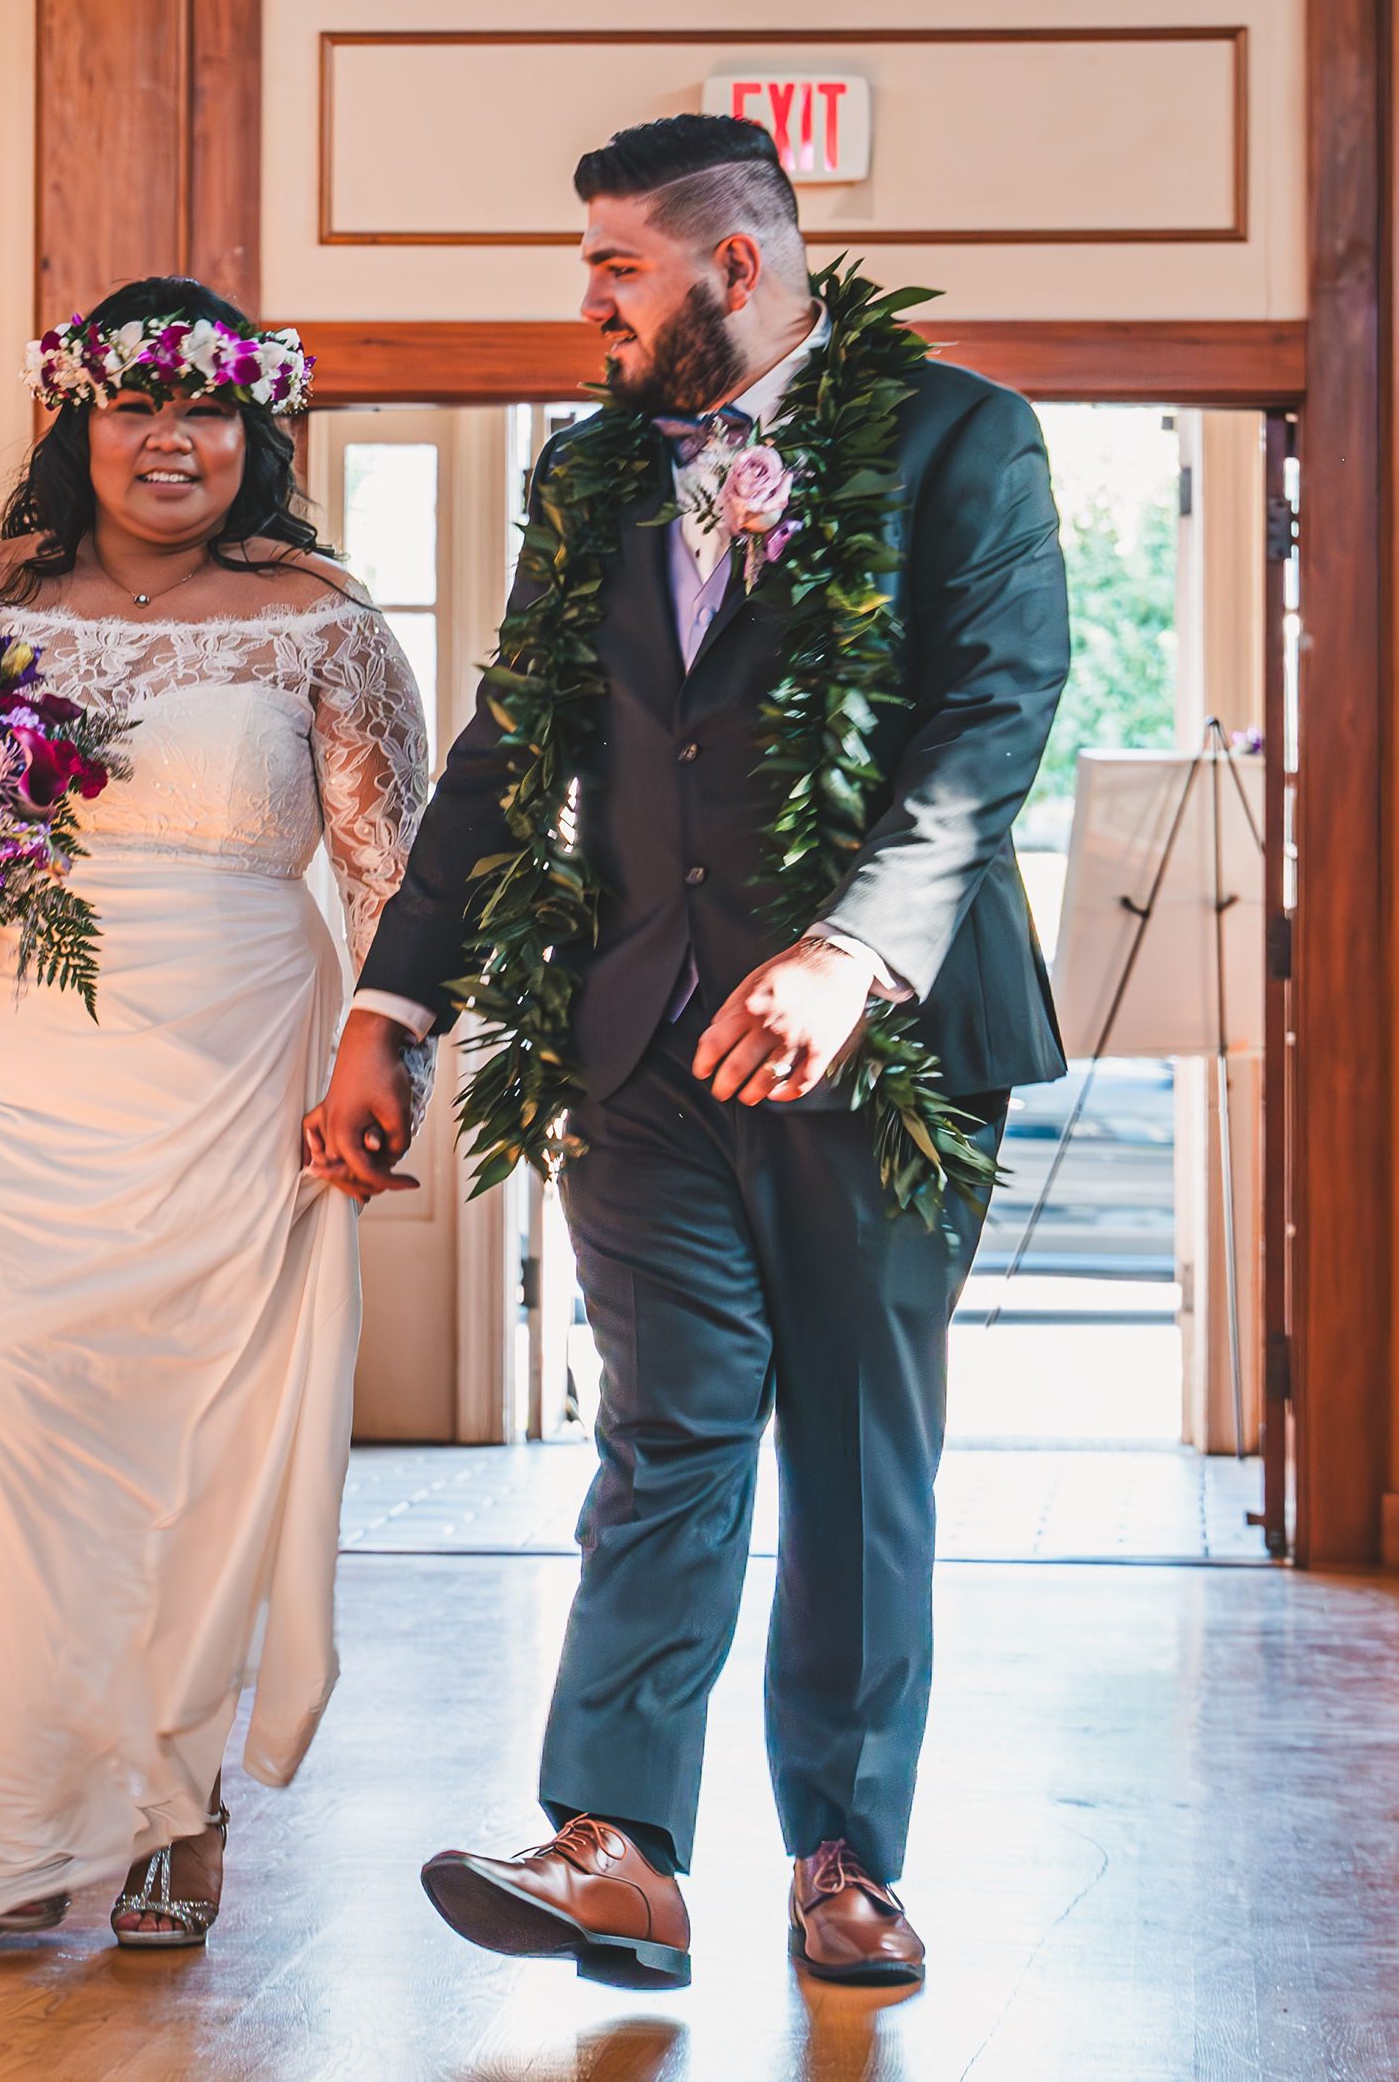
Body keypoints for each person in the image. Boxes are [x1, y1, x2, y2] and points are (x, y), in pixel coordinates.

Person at [312, 115, 1070, 1994]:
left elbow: (995, 719)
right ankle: (621, 1849)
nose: (587, 305)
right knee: (662, 1438)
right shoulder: (589, 477)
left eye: (615, 269)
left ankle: (845, 1860)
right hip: (641, 1038)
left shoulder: (958, 437)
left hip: (882, 1050)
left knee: (860, 1458)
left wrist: (848, 956)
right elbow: (503, 751)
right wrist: (390, 1008)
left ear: (735, 268)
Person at [0, 276, 426, 1945]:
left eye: (208, 413)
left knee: (193, 1446)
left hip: (241, 1061)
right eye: (135, 408)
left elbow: (397, 875)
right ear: (79, 422)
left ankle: (178, 1807)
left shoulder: (318, 613)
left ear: (256, 434)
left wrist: (383, 1060)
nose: (171, 442)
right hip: (12, 1056)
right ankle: (26, 1808)